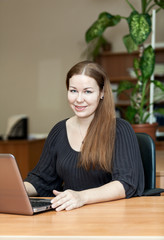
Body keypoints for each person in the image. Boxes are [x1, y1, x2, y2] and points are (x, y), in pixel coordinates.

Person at [24, 60, 144, 211]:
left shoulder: (119, 129)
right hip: (70, 217)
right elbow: (42, 179)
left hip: (111, 218)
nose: (79, 99)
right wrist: (15, 189)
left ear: (101, 93)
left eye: (87, 91)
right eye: (73, 90)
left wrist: (82, 197)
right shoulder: (59, 130)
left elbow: (126, 183)